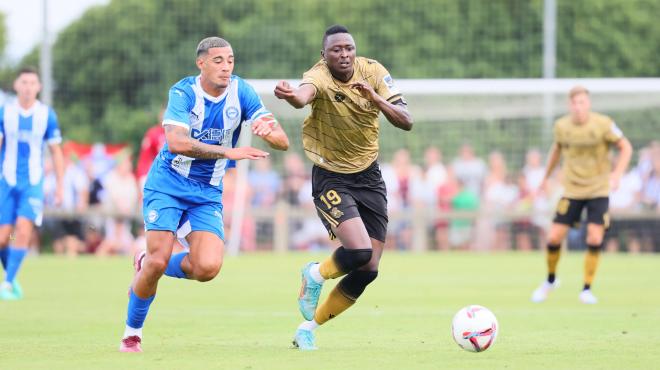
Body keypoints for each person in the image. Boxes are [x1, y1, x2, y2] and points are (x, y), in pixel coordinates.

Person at [119, 37, 289, 352]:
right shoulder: (182, 92)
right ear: (201, 63)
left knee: (207, 268)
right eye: (218, 60)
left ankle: (143, 262)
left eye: (230, 60)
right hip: (167, 184)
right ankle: (132, 334)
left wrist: (271, 134)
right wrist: (230, 152)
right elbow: (177, 143)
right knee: (158, 261)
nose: (226, 67)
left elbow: (282, 140)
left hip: (207, 191)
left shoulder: (243, 92)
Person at [274, 24, 413, 350]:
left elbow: (407, 120)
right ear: (324, 55)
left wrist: (375, 98)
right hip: (331, 176)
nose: (344, 54)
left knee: (369, 269)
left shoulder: (373, 71)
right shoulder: (318, 76)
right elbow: (302, 96)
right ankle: (315, 274)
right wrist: (292, 95)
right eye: (336, 50)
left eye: (348, 48)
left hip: (369, 177)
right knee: (359, 250)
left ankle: (308, 328)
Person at [531, 86, 632, 304]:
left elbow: (626, 147)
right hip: (573, 189)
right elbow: (556, 151)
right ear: (569, 105)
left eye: (582, 103)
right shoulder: (562, 126)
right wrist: (545, 177)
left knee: (594, 237)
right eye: (574, 103)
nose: (578, 107)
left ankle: (586, 289)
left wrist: (617, 174)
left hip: (598, 189)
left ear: (588, 104)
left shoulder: (603, 124)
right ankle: (550, 280)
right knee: (553, 237)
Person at [0, 67, 64, 300]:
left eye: (32, 83)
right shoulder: (4, 112)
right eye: (24, 82)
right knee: (3, 237)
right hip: (6, 181)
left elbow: (56, 152)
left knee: (24, 230)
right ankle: (12, 277)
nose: (28, 87)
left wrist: (59, 186)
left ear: (38, 87)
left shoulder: (47, 115)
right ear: (16, 85)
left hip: (32, 183)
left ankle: (6, 284)